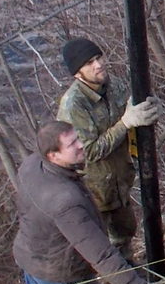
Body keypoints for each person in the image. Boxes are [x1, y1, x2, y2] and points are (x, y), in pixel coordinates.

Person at [13, 120, 147, 284]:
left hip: (30, 258)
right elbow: (100, 254)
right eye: (72, 143)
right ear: (53, 155)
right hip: (62, 274)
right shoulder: (65, 201)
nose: (81, 144)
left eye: (77, 137)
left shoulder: (31, 166)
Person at [57, 36, 158, 258]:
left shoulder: (113, 86)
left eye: (98, 57)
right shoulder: (74, 105)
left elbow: (133, 112)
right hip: (92, 192)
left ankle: (132, 278)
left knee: (124, 236)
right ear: (77, 73)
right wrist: (126, 123)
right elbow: (89, 152)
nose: (98, 64)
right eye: (89, 63)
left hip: (118, 183)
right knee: (101, 251)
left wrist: (146, 111)